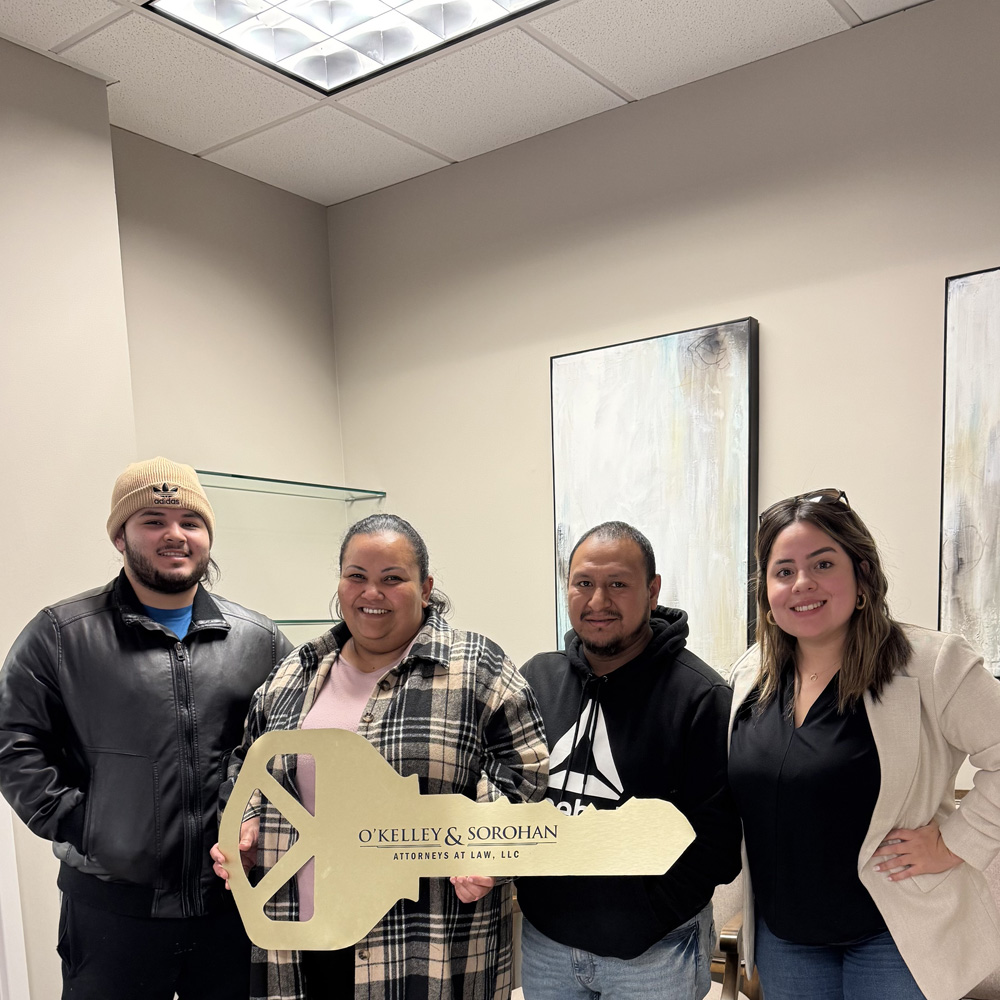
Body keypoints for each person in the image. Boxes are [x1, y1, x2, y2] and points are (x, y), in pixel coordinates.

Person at [211, 512, 548, 1000]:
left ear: (425, 588)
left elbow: (527, 779)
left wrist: (490, 854)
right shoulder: (293, 674)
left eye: (392, 579)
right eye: (357, 576)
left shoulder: (480, 669)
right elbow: (247, 768)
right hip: (299, 939)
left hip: (423, 946)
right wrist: (243, 827)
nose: (372, 593)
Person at [0, 456, 293, 1000]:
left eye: (190, 521)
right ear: (120, 536)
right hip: (111, 910)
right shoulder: (61, 635)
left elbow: (289, 752)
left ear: (207, 535)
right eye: (153, 520)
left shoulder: (261, 641)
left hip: (232, 904)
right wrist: (87, 825)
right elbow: (13, 742)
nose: (174, 534)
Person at [728, 488, 1000, 1000]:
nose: (802, 583)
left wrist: (954, 844)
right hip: (784, 938)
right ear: (767, 592)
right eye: (784, 571)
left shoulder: (932, 664)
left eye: (822, 564)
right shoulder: (750, 676)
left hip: (894, 935)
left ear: (862, 575)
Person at [516, 520, 742, 1000]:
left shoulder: (701, 696)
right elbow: (507, 789)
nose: (598, 601)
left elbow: (718, 846)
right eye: (583, 583)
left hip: (655, 953)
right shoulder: (535, 679)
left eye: (617, 584)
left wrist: (646, 915)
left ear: (652, 591)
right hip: (546, 944)